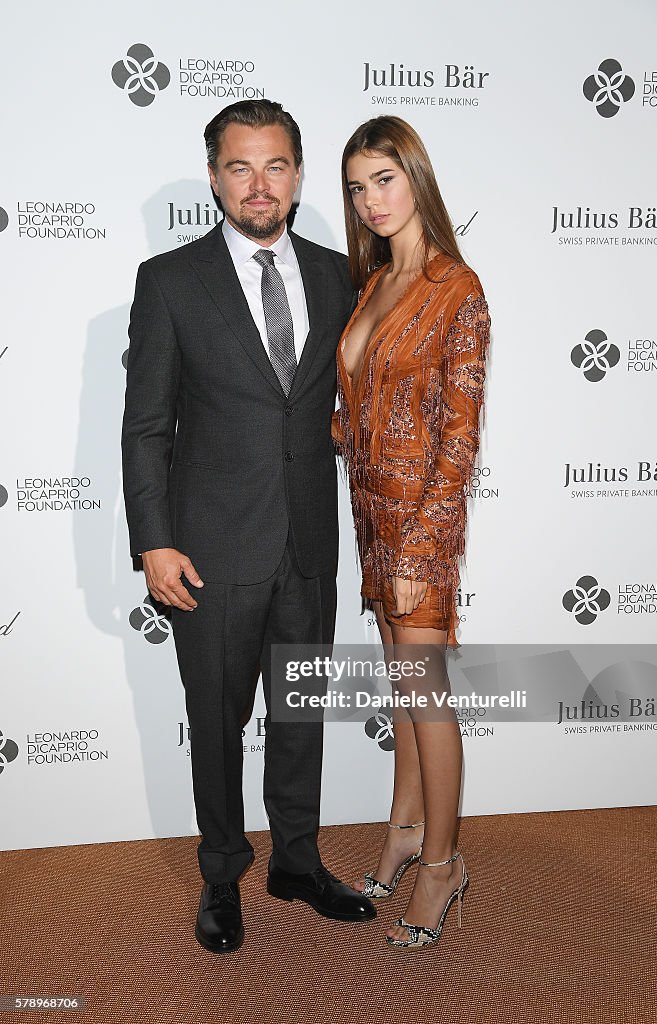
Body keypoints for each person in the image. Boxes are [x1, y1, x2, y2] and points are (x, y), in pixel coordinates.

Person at [121, 99, 375, 954]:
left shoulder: (342, 274)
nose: (258, 185)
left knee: (299, 714)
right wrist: (154, 541)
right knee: (218, 719)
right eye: (240, 167)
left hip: (308, 541)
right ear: (214, 177)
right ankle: (222, 874)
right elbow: (147, 425)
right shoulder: (170, 280)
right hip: (209, 548)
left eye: (274, 166)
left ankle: (296, 861)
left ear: (298, 175)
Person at [332, 116, 491, 949]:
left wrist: (423, 547)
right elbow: (356, 416)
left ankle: (441, 864)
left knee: (427, 698)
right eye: (357, 187)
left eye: (383, 180)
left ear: (416, 178)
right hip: (370, 519)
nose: (370, 200)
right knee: (405, 693)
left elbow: (459, 439)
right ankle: (401, 834)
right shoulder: (372, 285)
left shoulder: (454, 288)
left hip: (419, 530)